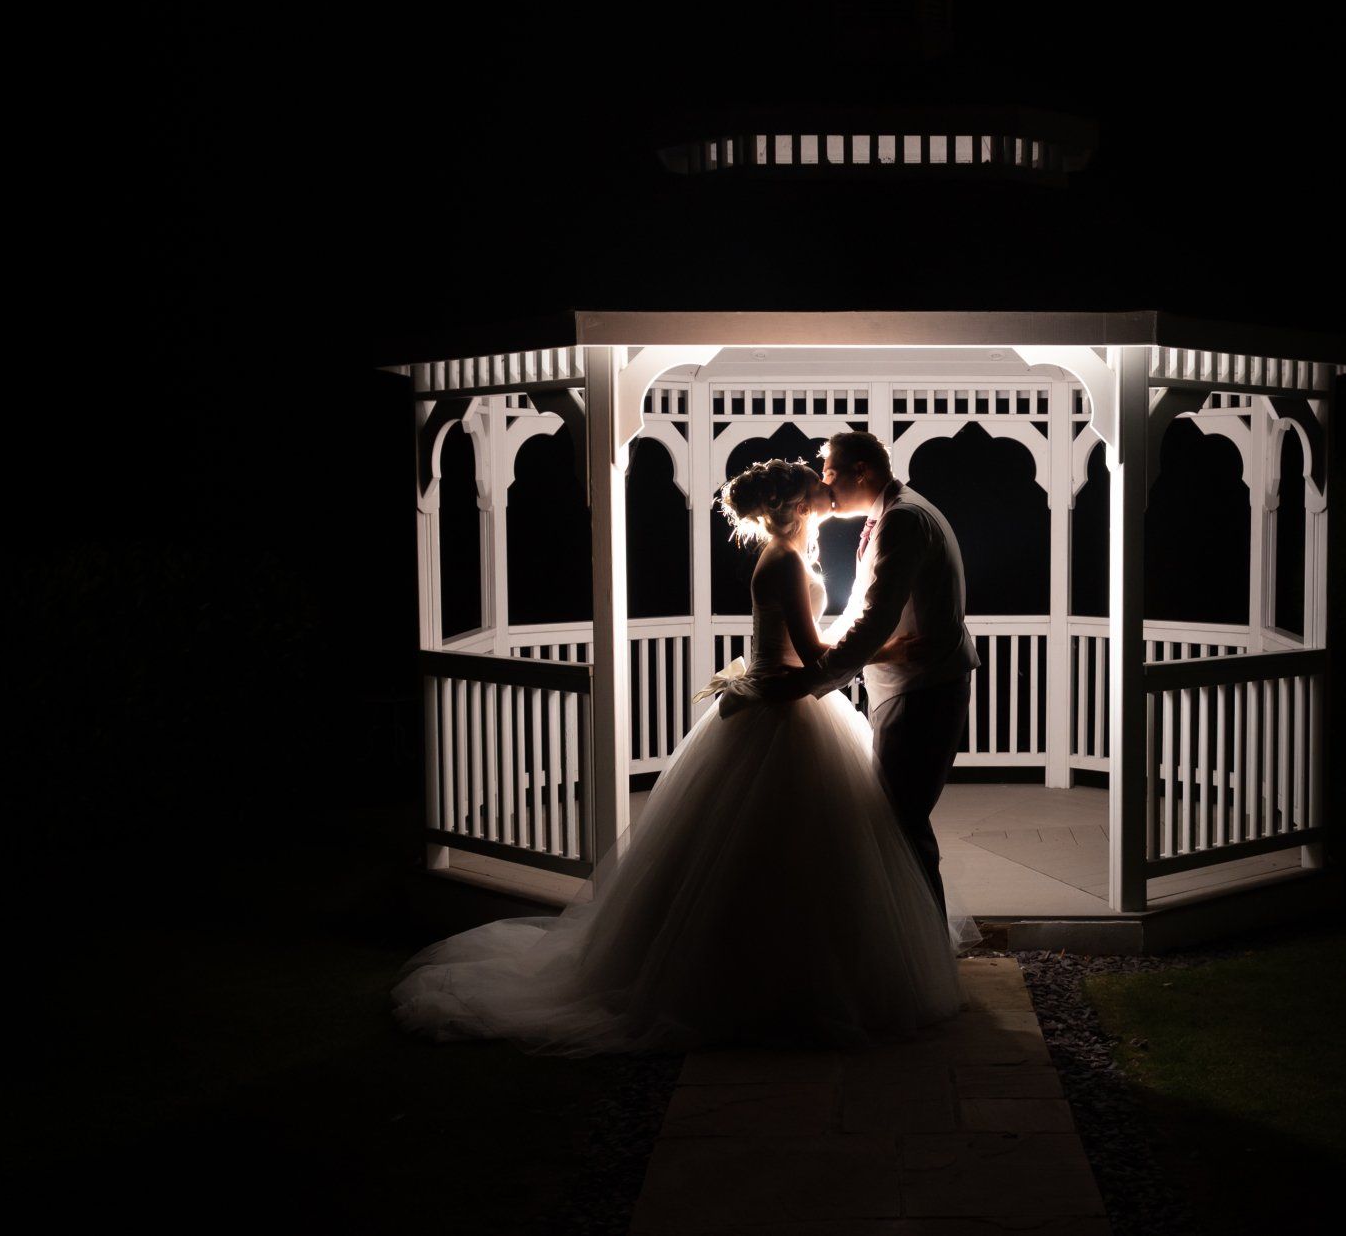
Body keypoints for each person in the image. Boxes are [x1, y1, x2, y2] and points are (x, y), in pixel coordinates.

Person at [390, 457, 979, 1054]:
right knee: (781, 850)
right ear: (799, 507)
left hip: (788, 703)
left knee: (787, 852)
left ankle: (789, 970)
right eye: (815, 487)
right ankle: (770, 980)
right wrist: (892, 650)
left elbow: (807, 650)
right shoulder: (786, 562)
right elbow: (809, 652)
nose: (826, 491)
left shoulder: (791, 557)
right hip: (784, 711)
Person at [808, 431, 981, 921]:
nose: (826, 485)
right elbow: (861, 611)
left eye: (831, 473)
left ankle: (927, 949)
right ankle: (920, 944)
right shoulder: (890, 515)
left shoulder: (904, 520)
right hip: (907, 689)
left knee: (902, 822)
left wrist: (815, 682)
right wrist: (818, 655)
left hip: (922, 692)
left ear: (861, 471)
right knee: (898, 819)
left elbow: (875, 619)